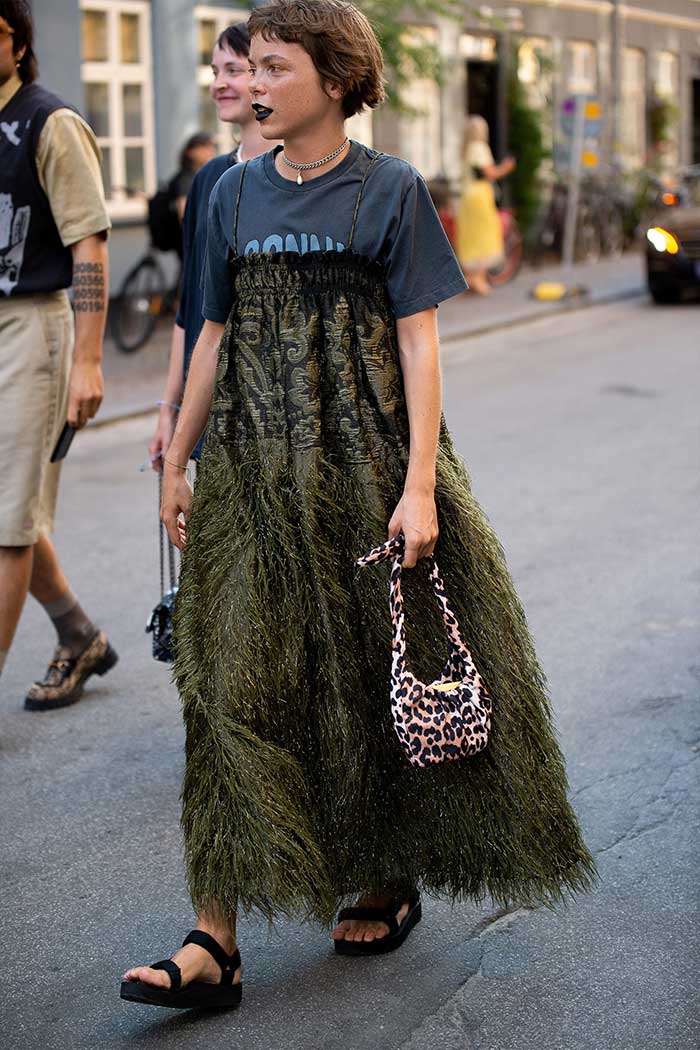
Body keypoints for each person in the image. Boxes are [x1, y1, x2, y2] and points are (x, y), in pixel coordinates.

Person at [122, 0, 594, 1011]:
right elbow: (211, 334)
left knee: (360, 674)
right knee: (224, 687)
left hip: (367, 474)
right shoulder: (229, 194)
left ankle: (382, 870)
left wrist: (419, 485)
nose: (251, 83)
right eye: (248, 67)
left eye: (273, 67)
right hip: (250, 476)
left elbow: (419, 342)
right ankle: (214, 937)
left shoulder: (389, 190)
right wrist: (175, 455)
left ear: (335, 80)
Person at [0, 0, 117, 709]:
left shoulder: (50, 122)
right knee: (11, 507)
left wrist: (87, 360)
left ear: (17, 42)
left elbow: (89, 244)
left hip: (31, 330)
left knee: (9, 519)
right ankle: (78, 635)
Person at [148, 22, 278, 471]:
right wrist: (171, 409)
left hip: (275, 406)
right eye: (214, 69)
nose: (219, 82)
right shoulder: (207, 180)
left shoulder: (296, 177)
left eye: (233, 70)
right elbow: (191, 306)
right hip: (210, 403)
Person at [456, 115, 515, 296]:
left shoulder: (465, 149)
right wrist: (506, 167)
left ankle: (470, 276)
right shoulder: (480, 148)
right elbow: (489, 172)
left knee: (470, 236)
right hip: (480, 196)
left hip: (466, 196)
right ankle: (479, 278)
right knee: (484, 236)